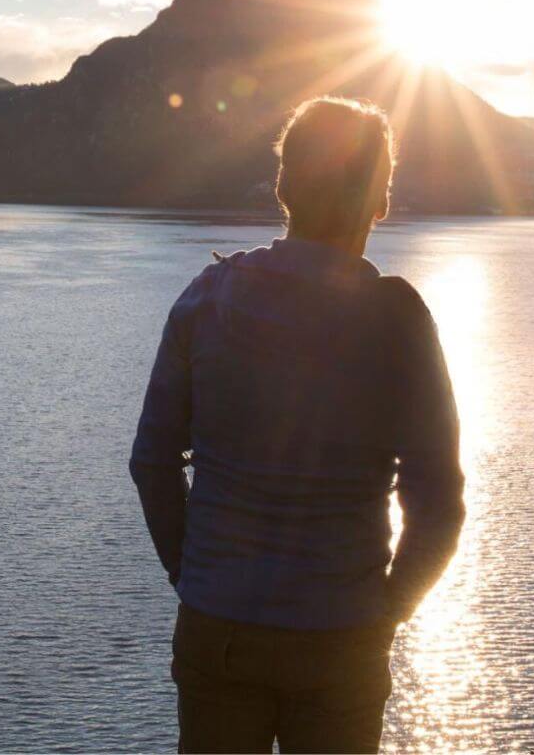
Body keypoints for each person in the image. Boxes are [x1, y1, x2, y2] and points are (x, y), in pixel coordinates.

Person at [129, 97, 465, 754]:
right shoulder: (396, 318)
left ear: (284, 189)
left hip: (217, 626)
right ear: (381, 201)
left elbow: (152, 462)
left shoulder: (207, 298)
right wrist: (387, 612)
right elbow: (439, 501)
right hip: (342, 637)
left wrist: (193, 576)